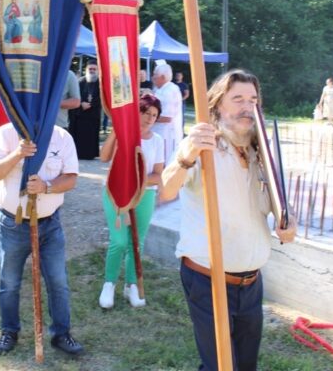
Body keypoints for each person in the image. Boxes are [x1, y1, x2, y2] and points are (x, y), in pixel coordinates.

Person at [160, 69, 297, 371]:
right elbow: (167, 190)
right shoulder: (202, 146)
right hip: (208, 278)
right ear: (218, 105)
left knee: (245, 366)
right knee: (220, 367)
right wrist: (188, 152)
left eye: (253, 99)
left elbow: (276, 209)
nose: (248, 106)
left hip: (251, 283)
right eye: (238, 99)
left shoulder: (261, 153)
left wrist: (288, 224)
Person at [0, 122, 84, 357]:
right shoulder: (5, 134)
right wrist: (17, 154)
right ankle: (9, 331)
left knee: (58, 281)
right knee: (9, 283)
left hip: (49, 224)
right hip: (13, 223)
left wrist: (46, 186)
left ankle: (61, 333)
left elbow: (70, 179)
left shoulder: (62, 137)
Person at [98, 94, 165, 309]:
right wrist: (116, 132)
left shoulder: (157, 141)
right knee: (118, 241)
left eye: (154, 115)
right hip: (115, 193)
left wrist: (136, 183)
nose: (149, 119)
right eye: (146, 113)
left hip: (144, 195)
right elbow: (104, 157)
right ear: (137, 112)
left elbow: (158, 175)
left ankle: (131, 285)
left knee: (136, 242)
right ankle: (109, 284)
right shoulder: (124, 134)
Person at [69, 60, 102, 159]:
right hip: (81, 114)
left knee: (91, 136)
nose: (92, 71)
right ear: (86, 70)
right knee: (79, 135)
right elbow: (75, 94)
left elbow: (102, 97)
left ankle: (90, 154)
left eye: (94, 69)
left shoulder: (101, 83)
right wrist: (82, 103)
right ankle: (78, 154)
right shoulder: (80, 81)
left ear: (97, 70)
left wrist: (92, 104)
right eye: (90, 69)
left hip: (93, 114)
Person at [152, 62, 183, 168]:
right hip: (161, 134)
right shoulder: (162, 89)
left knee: (163, 165)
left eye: (155, 75)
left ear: (163, 77)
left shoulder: (169, 91)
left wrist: (147, 118)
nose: (153, 77)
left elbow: (167, 118)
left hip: (166, 136)